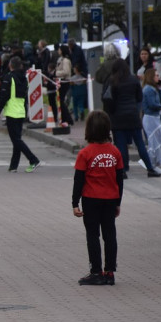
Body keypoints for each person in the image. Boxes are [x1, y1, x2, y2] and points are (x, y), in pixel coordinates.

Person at [72, 110, 124, 286]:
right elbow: (119, 179)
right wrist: (118, 202)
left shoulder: (85, 153)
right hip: (110, 198)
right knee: (110, 235)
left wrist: (75, 203)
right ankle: (110, 272)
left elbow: (78, 180)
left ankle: (96, 271)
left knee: (93, 235)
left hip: (91, 198)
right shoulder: (115, 152)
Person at [103, 58, 161, 178]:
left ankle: (123, 170)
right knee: (140, 143)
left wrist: (111, 112)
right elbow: (139, 97)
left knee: (121, 145)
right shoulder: (133, 79)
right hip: (133, 116)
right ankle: (150, 168)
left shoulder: (111, 80)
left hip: (117, 117)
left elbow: (107, 98)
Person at [0, 56, 40, 173]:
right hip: (21, 112)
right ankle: (13, 166)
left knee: (16, 140)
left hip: (11, 112)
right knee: (17, 139)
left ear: (10, 65)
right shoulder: (24, 78)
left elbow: (4, 95)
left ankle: (33, 159)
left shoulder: (9, 77)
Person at [141, 68, 161, 169]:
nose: (158, 77)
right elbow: (152, 104)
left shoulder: (150, 88)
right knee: (154, 141)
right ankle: (152, 163)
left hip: (152, 117)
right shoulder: (149, 89)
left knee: (155, 141)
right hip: (151, 117)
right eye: (156, 75)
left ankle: (155, 163)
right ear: (151, 77)